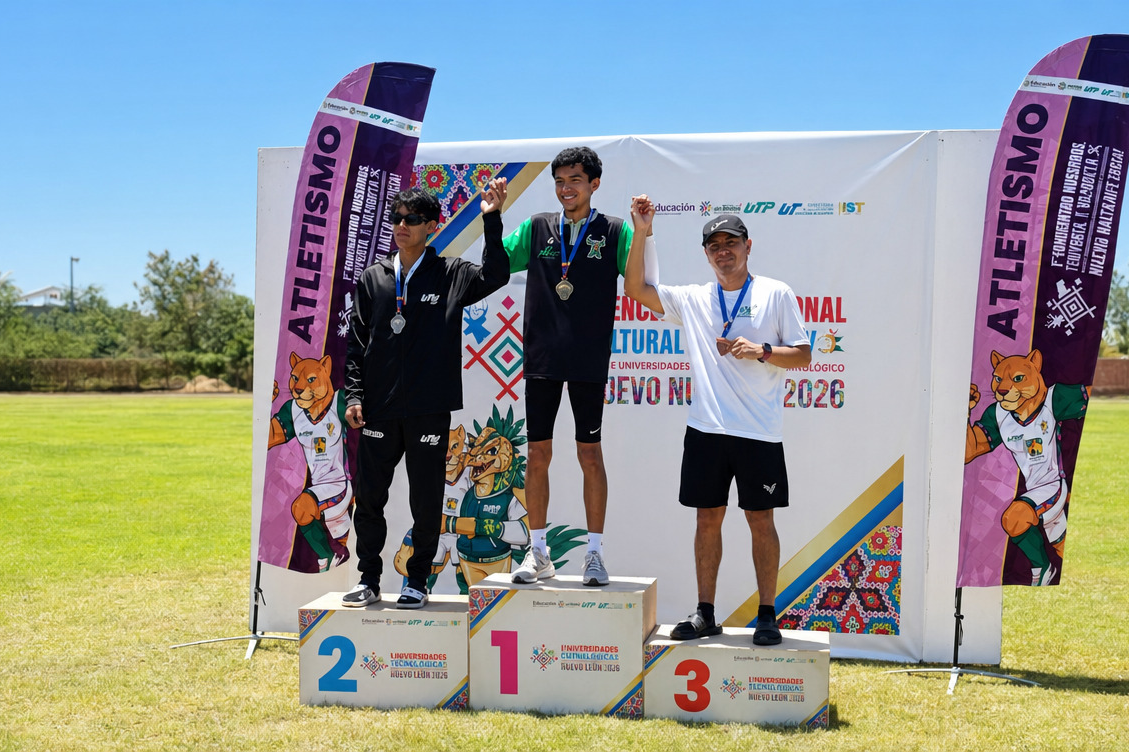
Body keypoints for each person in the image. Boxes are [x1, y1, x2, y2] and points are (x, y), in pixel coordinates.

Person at [623, 201, 811, 645]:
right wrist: (642, 232)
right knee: (707, 519)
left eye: (731, 243)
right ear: (706, 254)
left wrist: (763, 351)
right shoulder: (693, 299)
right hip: (706, 430)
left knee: (760, 521)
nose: (723, 251)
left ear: (748, 246)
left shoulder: (775, 294)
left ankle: (767, 615)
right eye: (714, 245)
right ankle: (705, 613)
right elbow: (634, 288)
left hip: (758, 432)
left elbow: (803, 355)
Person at [341, 181, 511, 609]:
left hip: (428, 408)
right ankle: (368, 579)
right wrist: (354, 396)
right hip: (378, 409)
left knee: (426, 500)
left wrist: (491, 218)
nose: (401, 226)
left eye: (412, 219)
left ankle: (417, 581)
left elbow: (496, 275)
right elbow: (356, 344)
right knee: (370, 499)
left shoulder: (450, 273)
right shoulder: (374, 278)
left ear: (431, 226)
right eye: (396, 218)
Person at [494, 146, 644, 587]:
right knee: (538, 454)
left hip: (588, 360)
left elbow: (636, 283)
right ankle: (538, 552)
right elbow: (498, 265)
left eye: (575, 180)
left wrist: (642, 232)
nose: (566, 188)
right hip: (542, 359)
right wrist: (493, 216)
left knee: (589, 454)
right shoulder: (537, 226)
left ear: (594, 184)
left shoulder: (614, 230)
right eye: (560, 181)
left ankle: (594, 554)